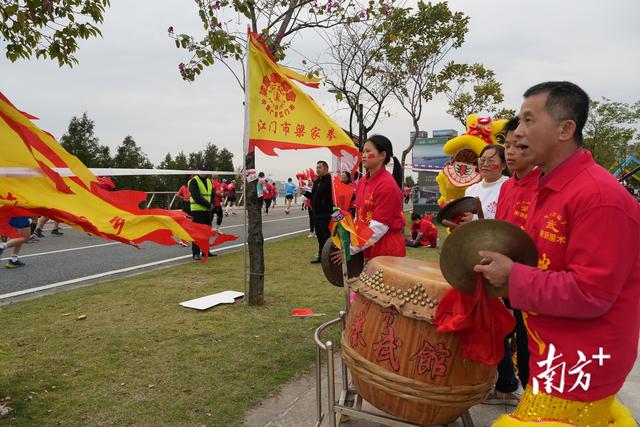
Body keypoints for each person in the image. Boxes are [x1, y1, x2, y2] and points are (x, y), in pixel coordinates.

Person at [477, 82, 639, 427]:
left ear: (565, 129)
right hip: (550, 348)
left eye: (529, 121)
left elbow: (592, 292)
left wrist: (513, 277)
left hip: (581, 359)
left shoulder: (598, 196)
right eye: (518, 122)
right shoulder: (548, 188)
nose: (518, 133)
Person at [484, 117, 540, 406]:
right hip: (502, 275)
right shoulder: (508, 187)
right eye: (507, 144)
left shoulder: (543, 185)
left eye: (520, 145)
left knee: (528, 341)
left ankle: (532, 398)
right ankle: (506, 382)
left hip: (530, 279)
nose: (511, 151)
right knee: (498, 329)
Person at [333, 135, 406, 262]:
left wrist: (350, 249)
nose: (363, 155)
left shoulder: (387, 186)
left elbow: (379, 227)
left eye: (368, 151)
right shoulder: (362, 182)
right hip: (366, 245)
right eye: (363, 151)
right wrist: (349, 239)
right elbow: (359, 216)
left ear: (382, 155)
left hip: (386, 249)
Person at [460, 144, 509, 222]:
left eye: (491, 160)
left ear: (503, 165)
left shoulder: (510, 188)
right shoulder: (471, 190)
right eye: (482, 160)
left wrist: (474, 219)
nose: (485, 164)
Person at [302, 161, 333, 263]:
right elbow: (313, 197)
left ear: (325, 169)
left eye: (319, 168)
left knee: (327, 237)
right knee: (319, 236)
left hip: (326, 214)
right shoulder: (317, 182)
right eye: (316, 168)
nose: (317, 170)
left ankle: (329, 257)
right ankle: (321, 257)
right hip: (317, 214)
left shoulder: (330, 181)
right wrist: (305, 193)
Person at [188, 171, 214, 260]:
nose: (204, 172)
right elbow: (196, 196)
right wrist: (209, 205)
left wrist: (212, 204)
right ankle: (195, 253)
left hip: (207, 210)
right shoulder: (194, 181)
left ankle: (205, 251)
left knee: (206, 232)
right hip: (197, 210)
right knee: (197, 232)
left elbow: (212, 194)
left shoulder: (209, 181)